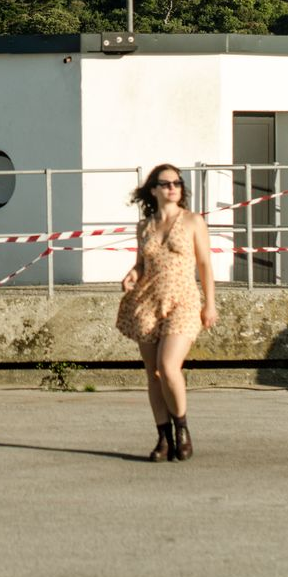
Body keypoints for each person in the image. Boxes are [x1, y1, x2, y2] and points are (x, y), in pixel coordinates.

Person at [116, 164, 218, 462]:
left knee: (168, 366)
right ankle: (163, 438)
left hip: (183, 300)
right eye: (165, 183)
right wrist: (132, 274)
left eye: (177, 183)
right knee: (153, 373)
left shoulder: (193, 222)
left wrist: (209, 303)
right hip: (148, 301)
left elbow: (205, 265)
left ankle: (182, 428)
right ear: (154, 190)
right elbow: (142, 263)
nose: (173, 187)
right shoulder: (144, 226)